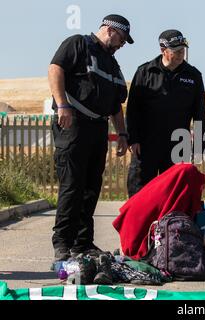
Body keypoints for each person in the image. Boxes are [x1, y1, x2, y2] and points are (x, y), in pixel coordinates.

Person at [48, 14, 133, 264]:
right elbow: (55, 68)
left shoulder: (113, 65)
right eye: (122, 38)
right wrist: (62, 105)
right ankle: (63, 244)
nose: (122, 44)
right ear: (109, 30)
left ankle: (82, 244)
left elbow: (116, 103)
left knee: (90, 189)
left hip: (98, 129)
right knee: (72, 186)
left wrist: (122, 134)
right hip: (73, 123)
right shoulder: (78, 44)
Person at [125, 29, 205, 198]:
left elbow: (200, 114)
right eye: (176, 51)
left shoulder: (193, 76)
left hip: (177, 146)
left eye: (182, 51)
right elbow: (133, 109)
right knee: (140, 192)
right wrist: (132, 138)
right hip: (146, 144)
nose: (180, 55)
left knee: (174, 194)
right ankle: (141, 224)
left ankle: (170, 225)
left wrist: (198, 147)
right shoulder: (145, 72)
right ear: (163, 50)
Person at [113, 163, 205, 261]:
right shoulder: (173, 202)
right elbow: (175, 237)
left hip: (126, 242)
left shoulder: (163, 192)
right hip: (134, 248)